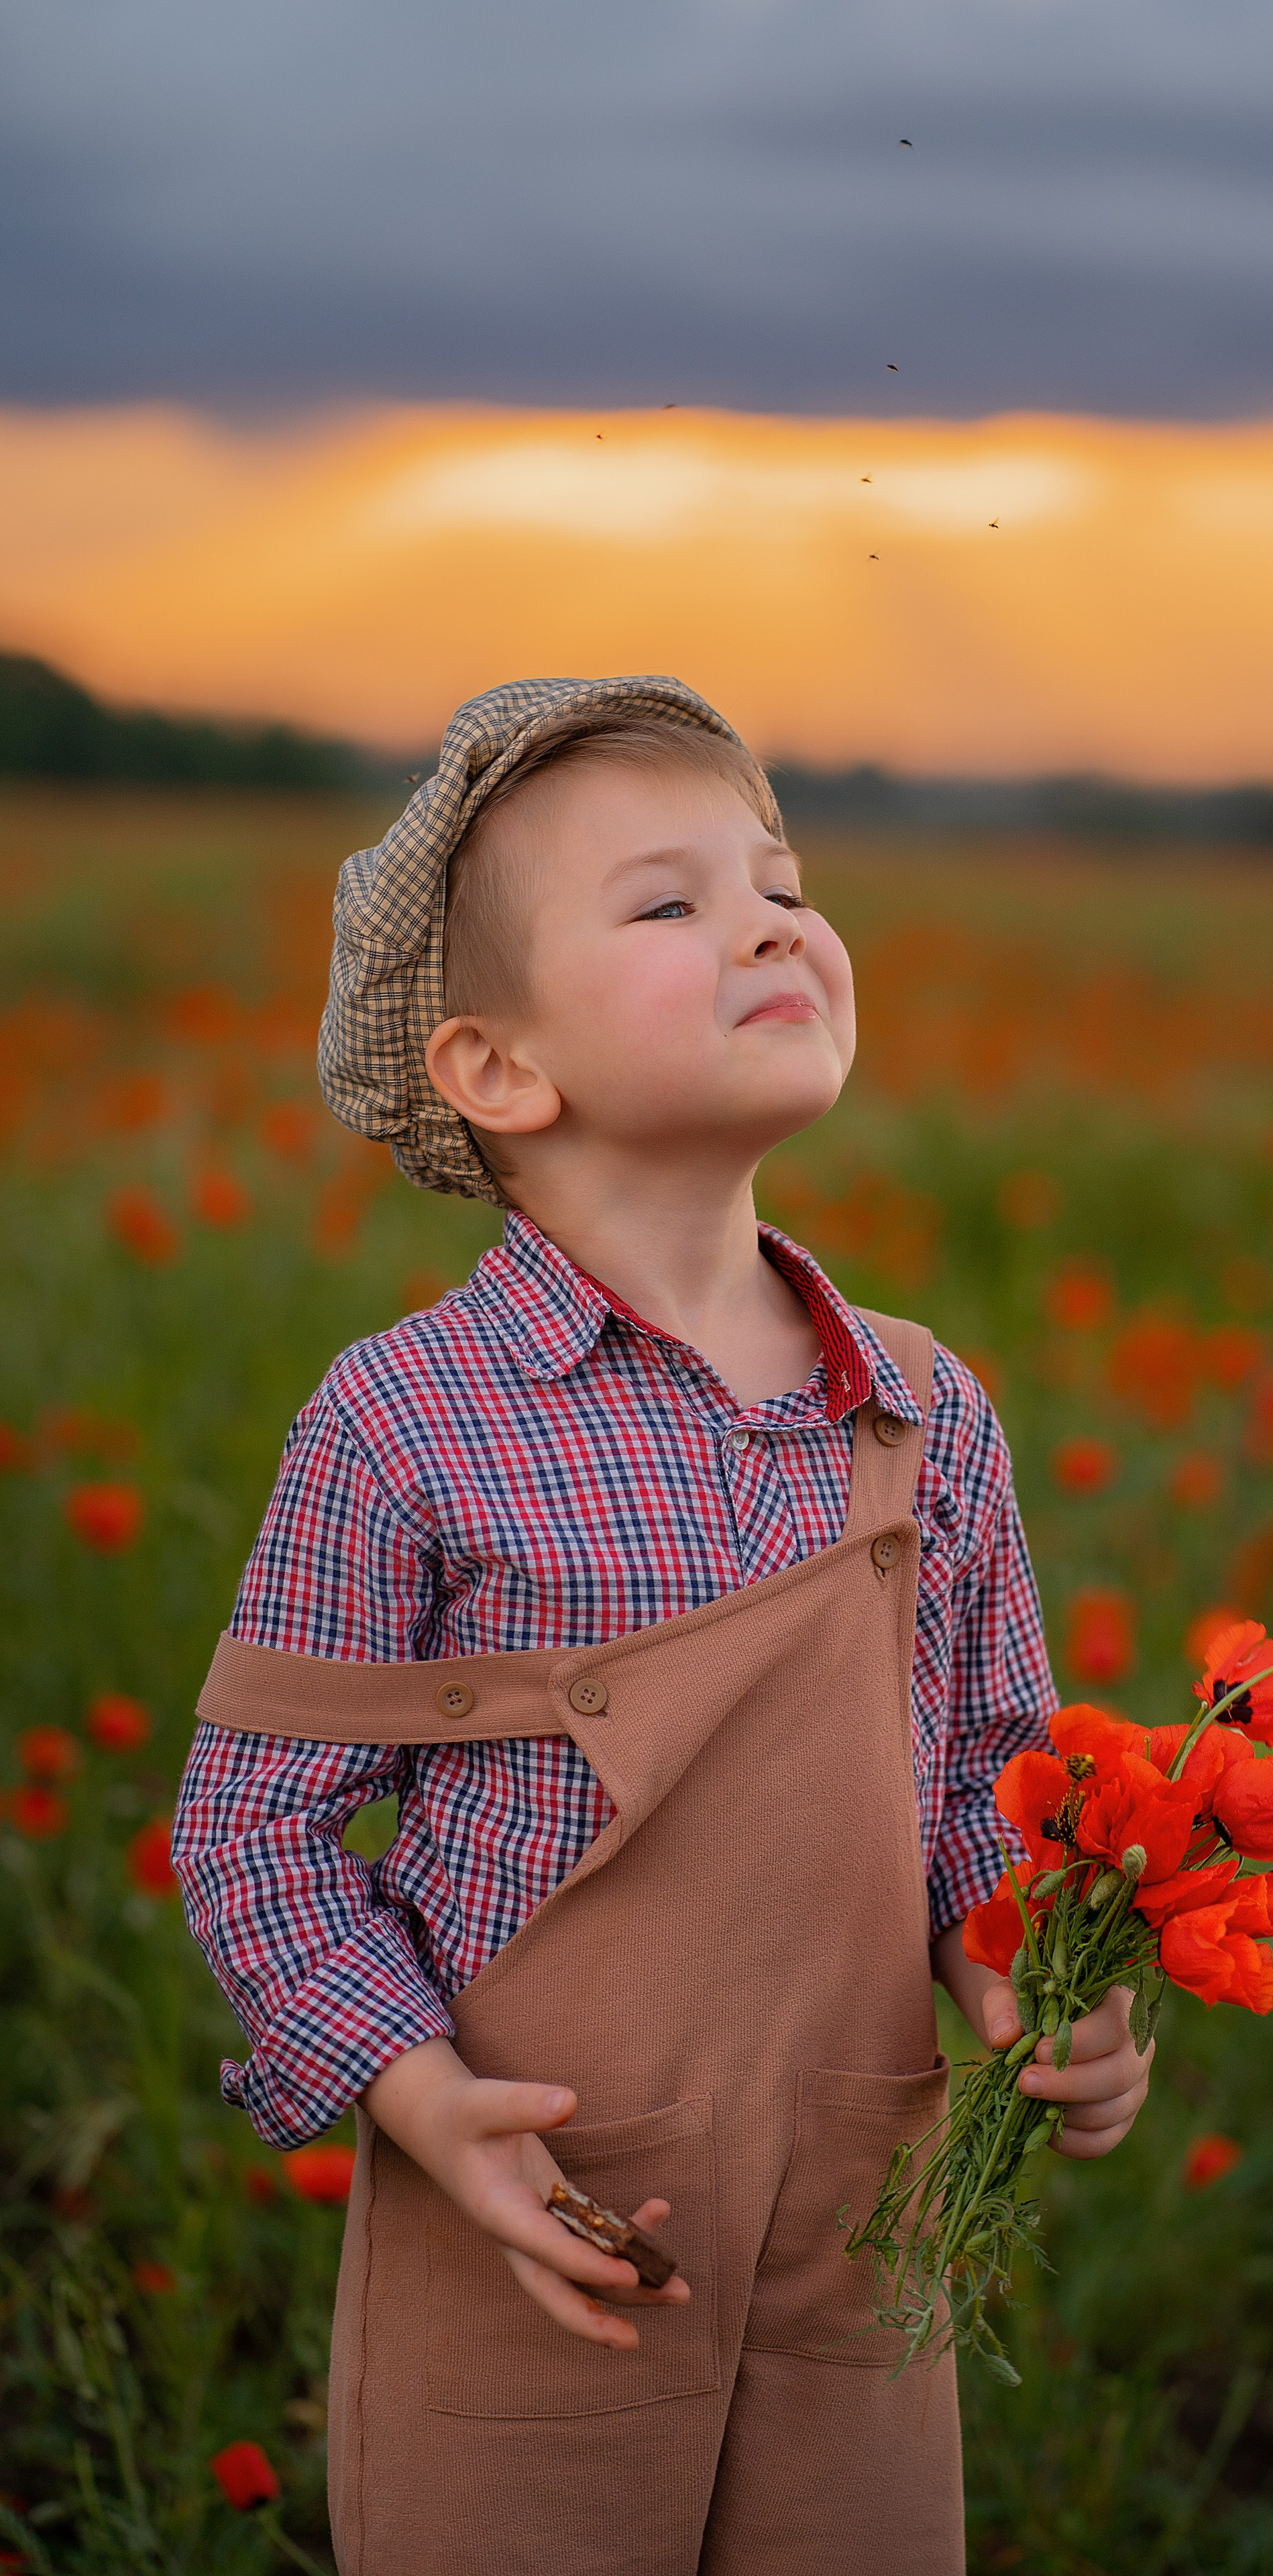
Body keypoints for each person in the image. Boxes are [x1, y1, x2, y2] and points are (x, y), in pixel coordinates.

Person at [172, 676, 1155, 2576]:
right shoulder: (405, 1422)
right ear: (497, 1070)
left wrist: (1037, 1977)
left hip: (861, 2206)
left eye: (783, 882)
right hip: (541, 2211)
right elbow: (257, 1834)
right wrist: (426, 2099)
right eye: (671, 902)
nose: (775, 922)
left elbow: (985, 1780)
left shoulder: (924, 1409)